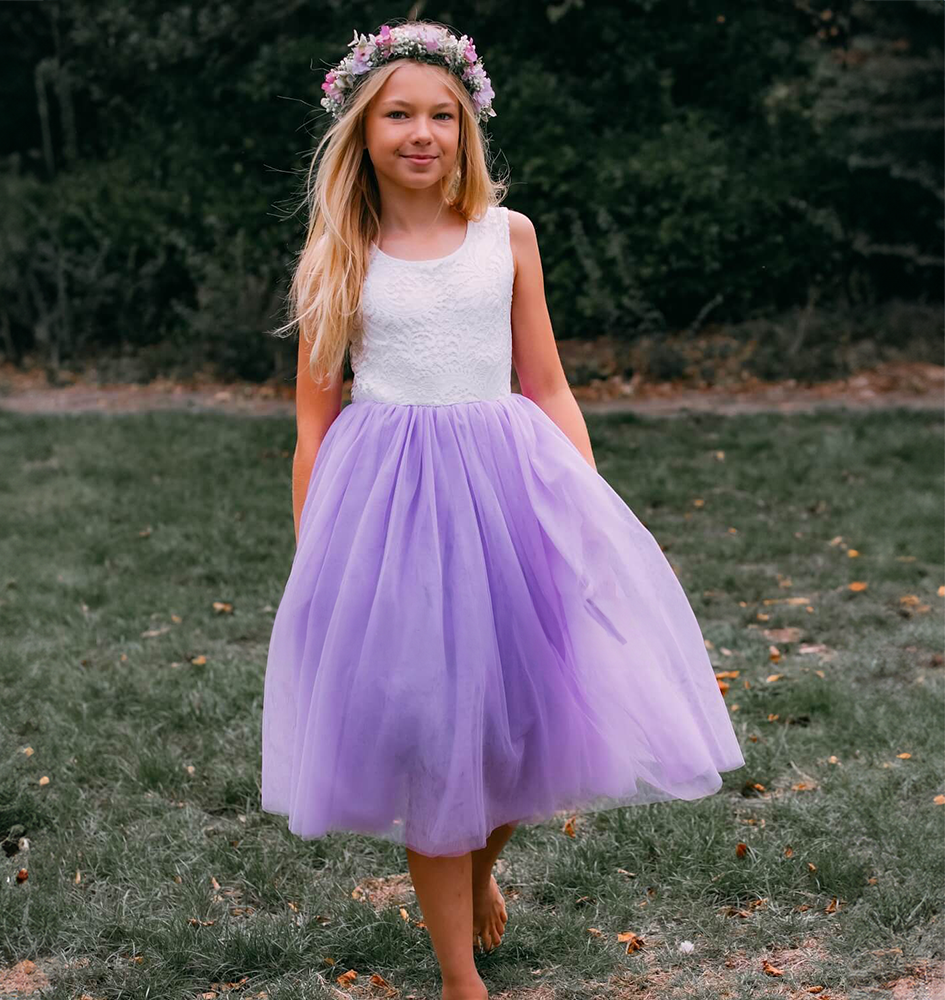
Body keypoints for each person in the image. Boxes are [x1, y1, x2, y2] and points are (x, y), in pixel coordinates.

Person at [261, 19, 745, 999]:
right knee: (431, 727)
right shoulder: (338, 250)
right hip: (391, 509)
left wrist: (583, 504)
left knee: (522, 717)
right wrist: (316, 551)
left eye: (442, 114)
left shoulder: (506, 237)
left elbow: (550, 383)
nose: (421, 132)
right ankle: (458, 978)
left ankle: (478, 866)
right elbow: (316, 419)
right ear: (360, 129)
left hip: (508, 490)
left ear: (467, 128)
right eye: (398, 114)